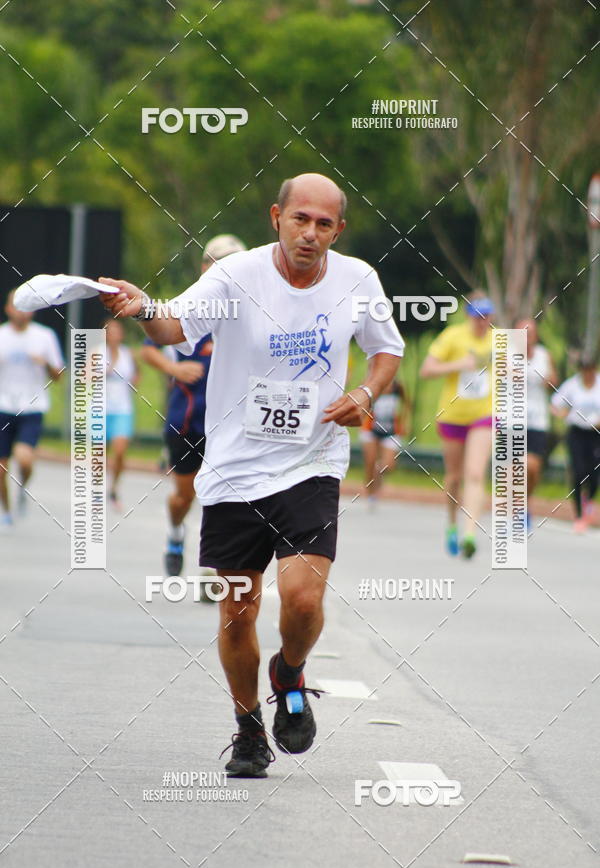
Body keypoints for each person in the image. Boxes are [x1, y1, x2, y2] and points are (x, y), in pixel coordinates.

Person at [98, 172, 404, 777]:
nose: (310, 233)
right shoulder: (236, 278)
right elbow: (174, 327)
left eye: (324, 224)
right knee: (238, 609)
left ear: (338, 230)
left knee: (303, 598)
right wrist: (142, 309)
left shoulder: (357, 280)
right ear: (276, 217)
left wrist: (367, 390)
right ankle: (247, 729)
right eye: (300, 219)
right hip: (236, 468)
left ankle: (289, 671)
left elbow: (387, 348)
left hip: (311, 461)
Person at [140, 234, 246, 575]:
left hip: (231, 424)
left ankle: (213, 568)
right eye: (220, 262)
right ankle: (174, 533)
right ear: (205, 267)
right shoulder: (191, 305)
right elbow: (148, 347)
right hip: (188, 419)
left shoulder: (249, 312)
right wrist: (173, 368)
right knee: (185, 496)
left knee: (225, 499)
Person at [420, 295, 494, 558]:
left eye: (487, 316)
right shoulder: (453, 337)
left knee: (475, 473)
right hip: (452, 415)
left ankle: (470, 533)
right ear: (468, 316)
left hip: (484, 415)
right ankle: (452, 524)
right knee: (454, 477)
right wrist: (459, 364)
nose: (482, 322)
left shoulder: (499, 340)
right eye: (478, 316)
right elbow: (426, 370)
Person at [0, 291, 64, 528]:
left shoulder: (44, 336)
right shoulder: (2, 336)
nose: (21, 313)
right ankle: (5, 511)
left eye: (25, 308)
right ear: (8, 309)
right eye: (16, 307)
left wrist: (45, 364)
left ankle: (22, 487)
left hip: (32, 406)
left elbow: (58, 375)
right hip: (3, 406)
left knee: (25, 459)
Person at [514, 317, 557, 532]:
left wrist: (547, 378)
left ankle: (524, 503)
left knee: (533, 467)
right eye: (522, 333)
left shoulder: (543, 355)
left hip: (538, 419)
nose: (527, 338)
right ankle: (517, 508)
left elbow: (554, 382)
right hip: (512, 419)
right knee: (517, 467)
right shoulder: (507, 356)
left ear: (536, 336)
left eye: (530, 333)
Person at [551, 355, 600, 534]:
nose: (587, 374)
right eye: (584, 370)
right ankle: (579, 515)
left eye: (590, 370)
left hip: (595, 434)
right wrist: (562, 414)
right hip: (576, 433)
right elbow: (555, 403)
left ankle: (590, 498)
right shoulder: (572, 385)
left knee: (594, 474)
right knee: (578, 472)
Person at [104, 318, 139, 509]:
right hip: (100, 408)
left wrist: (134, 383)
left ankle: (114, 489)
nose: (114, 335)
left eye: (117, 331)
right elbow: (83, 377)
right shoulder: (97, 354)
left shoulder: (128, 354)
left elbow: (137, 374)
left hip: (122, 409)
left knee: (119, 451)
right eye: (110, 331)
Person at [360, 378, 409, 507]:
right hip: (371, 429)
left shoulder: (398, 387)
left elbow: (406, 405)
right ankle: (371, 493)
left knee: (389, 465)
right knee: (370, 462)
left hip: (391, 430)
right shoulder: (370, 385)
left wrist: (404, 422)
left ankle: (378, 474)